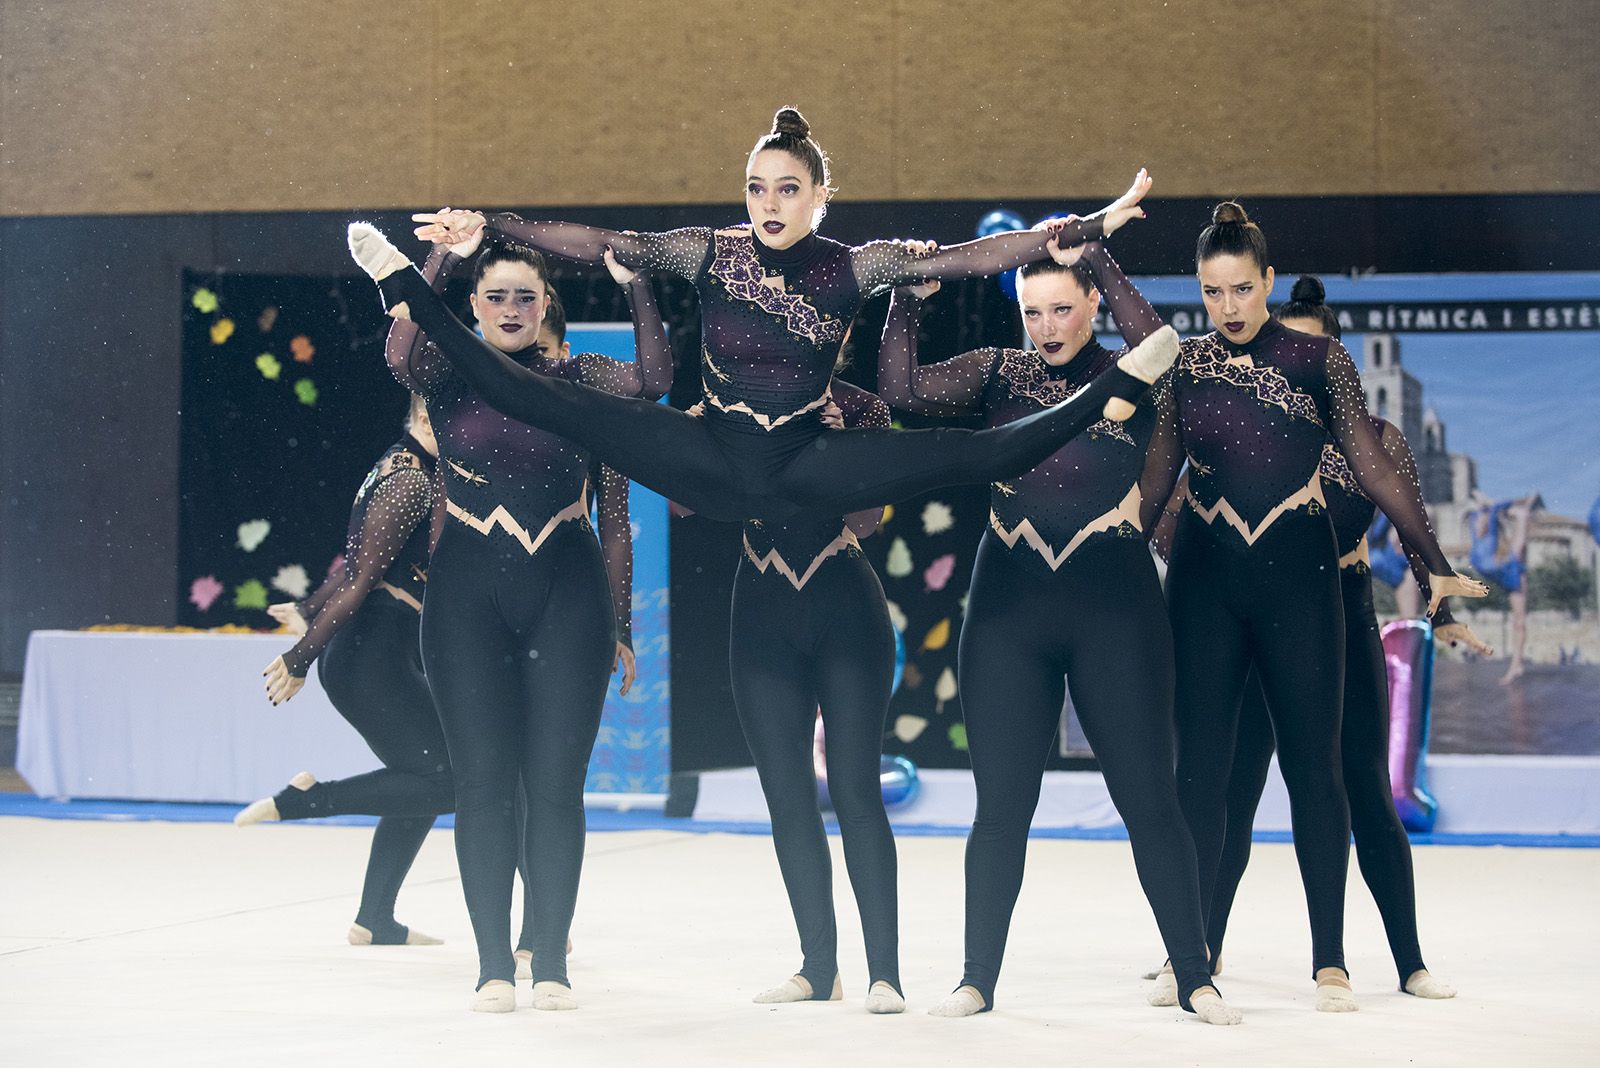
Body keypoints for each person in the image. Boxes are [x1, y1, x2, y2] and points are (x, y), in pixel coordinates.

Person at [347, 108, 1176, 525]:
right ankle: (407, 291)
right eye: (757, 188)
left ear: (820, 195)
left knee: (966, 453)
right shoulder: (710, 249)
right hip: (708, 456)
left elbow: (975, 257)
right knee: (542, 395)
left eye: (788, 189)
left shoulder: (857, 266)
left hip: (803, 463)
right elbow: (597, 238)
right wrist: (489, 227)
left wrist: (1090, 226)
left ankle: (1107, 393)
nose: (770, 203)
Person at [877, 237, 1238, 1025]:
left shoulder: (1132, 370)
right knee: (1001, 805)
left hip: (1115, 607)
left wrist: (1104, 255)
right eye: (1033, 310)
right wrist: (905, 299)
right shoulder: (997, 373)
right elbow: (900, 388)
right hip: (1010, 609)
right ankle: (977, 980)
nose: (1046, 325)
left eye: (1063, 308)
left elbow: (1162, 346)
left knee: (1150, 800)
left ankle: (1194, 973)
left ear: (1094, 305)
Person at [1141, 204, 1487, 1012]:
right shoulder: (1185, 367)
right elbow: (1158, 485)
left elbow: (1374, 467)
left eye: (1241, 289)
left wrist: (1434, 570)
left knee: (1324, 771)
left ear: (1265, 282)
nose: (1228, 306)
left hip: (1309, 588)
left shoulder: (1321, 365)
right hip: (1210, 580)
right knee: (1204, 776)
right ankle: (1189, 955)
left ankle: (1339, 958)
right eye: (1211, 292)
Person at [385, 224, 669, 1012]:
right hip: (464, 601)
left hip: (567, 598)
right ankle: (491, 967)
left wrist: (636, 283)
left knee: (554, 787)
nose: (510, 308)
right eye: (495, 296)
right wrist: (439, 259)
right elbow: (401, 353)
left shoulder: (580, 379)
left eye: (525, 297)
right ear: (474, 306)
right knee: (482, 785)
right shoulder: (445, 373)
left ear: (546, 307)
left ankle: (550, 960)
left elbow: (652, 381)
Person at [239, 397, 452, 951]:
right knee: (451, 778)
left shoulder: (406, 466)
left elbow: (359, 562)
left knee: (425, 777)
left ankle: (374, 918)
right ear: (425, 416)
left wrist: (309, 609)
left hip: (379, 648)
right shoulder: (411, 481)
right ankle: (305, 801)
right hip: (370, 653)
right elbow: (360, 577)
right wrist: (301, 656)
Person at [1467, 492, 1537, 684]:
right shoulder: (1476, 537)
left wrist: (1513, 501)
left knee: (1518, 622)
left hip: (1511, 570)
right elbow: (1477, 511)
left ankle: (1516, 665)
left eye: (1482, 520)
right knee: (1516, 622)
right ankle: (1523, 511)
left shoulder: (1491, 535)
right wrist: (1480, 502)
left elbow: (1495, 508)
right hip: (1503, 572)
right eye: (1477, 521)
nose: (1478, 523)